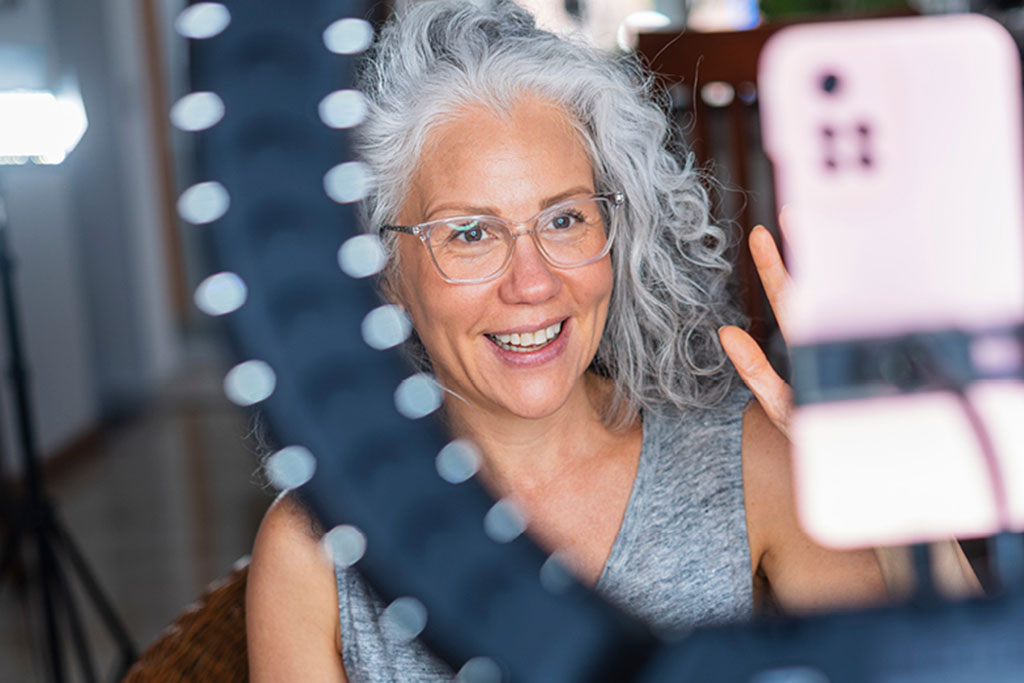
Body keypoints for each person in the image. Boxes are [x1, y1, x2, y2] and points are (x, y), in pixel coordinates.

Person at [245, 2, 974, 680]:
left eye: (565, 219)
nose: (532, 283)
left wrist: (896, 485)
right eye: (469, 232)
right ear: (382, 268)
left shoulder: (747, 463)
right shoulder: (317, 547)